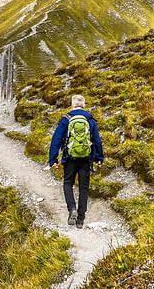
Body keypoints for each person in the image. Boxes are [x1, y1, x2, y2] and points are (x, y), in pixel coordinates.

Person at [48, 94, 104, 229]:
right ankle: (80, 219)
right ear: (84, 106)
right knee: (84, 187)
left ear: (72, 105)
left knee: (68, 183)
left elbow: (56, 140)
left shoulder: (66, 119)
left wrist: (53, 159)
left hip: (69, 158)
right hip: (86, 158)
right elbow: (96, 140)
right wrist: (99, 157)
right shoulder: (90, 119)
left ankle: (72, 208)